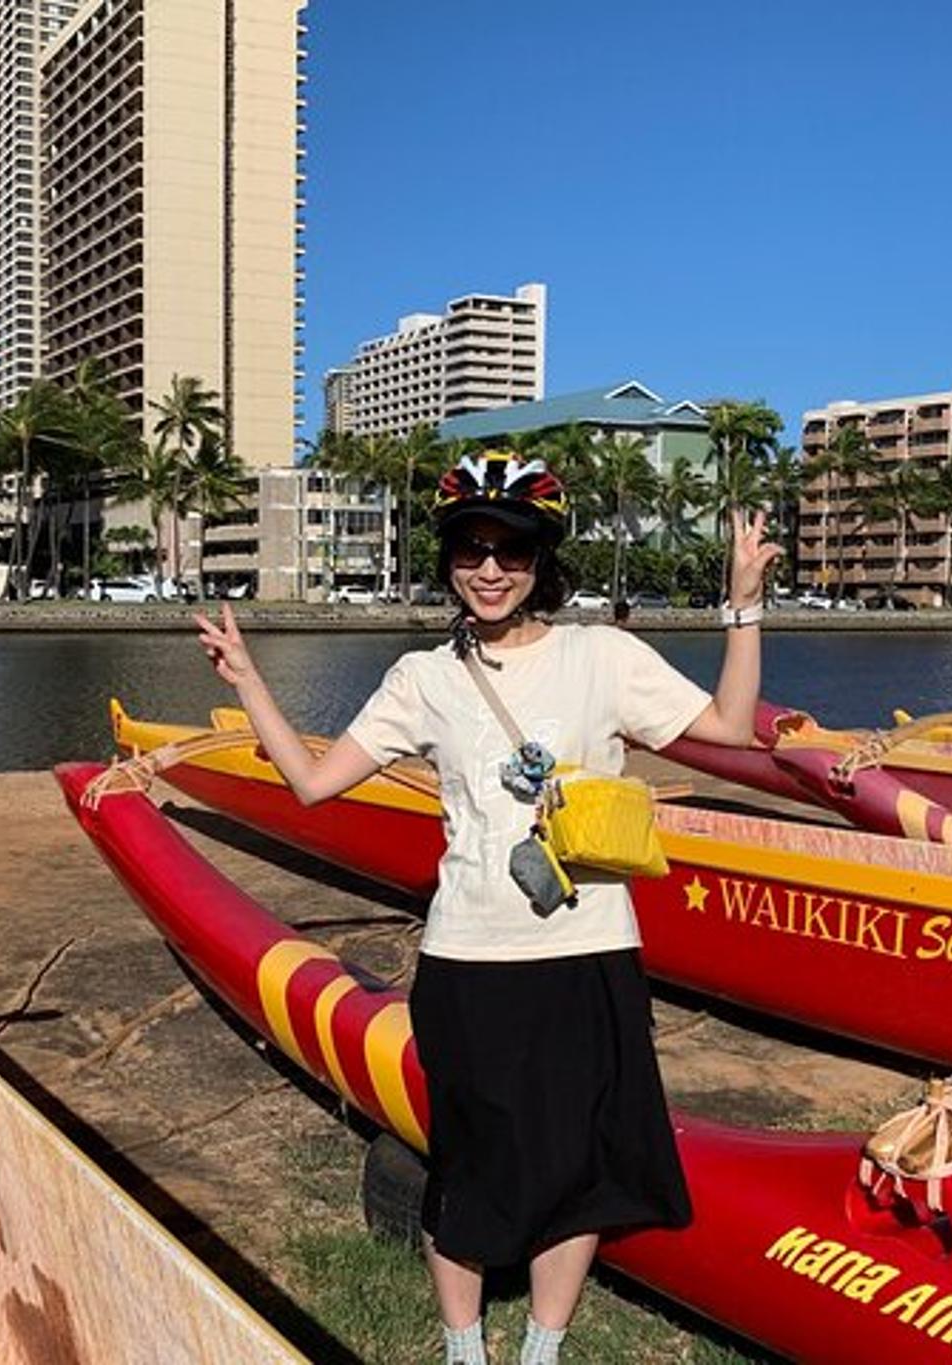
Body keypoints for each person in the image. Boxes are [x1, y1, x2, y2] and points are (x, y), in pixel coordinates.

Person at [194, 450, 780, 1365]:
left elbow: (731, 728)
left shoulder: (600, 656)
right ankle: (463, 1346)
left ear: (543, 558)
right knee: (471, 1163)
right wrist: (248, 680)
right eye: (471, 548)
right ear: (449, 560)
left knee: (580, 1165)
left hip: (588, 952)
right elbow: (311, 781)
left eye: (512, 548)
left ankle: (542, 1347)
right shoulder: (422, 678)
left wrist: (741, 605)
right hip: (470, 961)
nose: (491, 568)